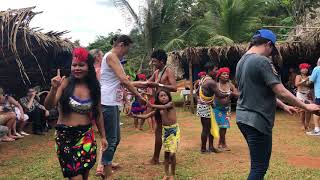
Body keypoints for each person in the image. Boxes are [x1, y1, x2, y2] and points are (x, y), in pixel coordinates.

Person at [235, 29, 320, 180]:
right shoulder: (262, 61)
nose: (271, 54)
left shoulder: (241, 62)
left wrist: (284, 106)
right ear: (268, 44)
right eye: (272, 50)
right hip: (257, 121)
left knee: (257, 164)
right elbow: (280, 91)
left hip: (243, 119)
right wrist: (306, 106)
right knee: (259, 167)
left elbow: (259, 90)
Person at [44, 47, 107, 180]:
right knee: (75, 177)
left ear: (88, 67)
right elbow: (48, 105)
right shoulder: (64, 83)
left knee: (84, 175)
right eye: (74, 65)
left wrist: (103, 137)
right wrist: (53, 89)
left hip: (86, 136)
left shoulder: (94, 87)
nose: (77, 68)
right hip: (65, 137)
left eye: (81, 65)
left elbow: (98, 113)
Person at [97, 35, 146, 179]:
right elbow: (124, 80)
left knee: (116, 139)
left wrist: (141, 87)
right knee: (111, 139)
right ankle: (106, 171)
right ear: (121, 45)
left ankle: (107, 164)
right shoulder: (111, 56)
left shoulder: (113, 58)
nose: (126, 52)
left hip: (112, 102)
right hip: (107, 102)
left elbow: (121, 82)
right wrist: (138, 96)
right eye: (127, 49)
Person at [131, 90, 180, 180]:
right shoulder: (159, 109)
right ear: (158, 99)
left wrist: (152, 105)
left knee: (172, 154)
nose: (164, 97)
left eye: (165, 95)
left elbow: (165, 106)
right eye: (161, 96)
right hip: (166, 132)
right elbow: (147, 116)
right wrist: (135, 115)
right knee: (166, 154)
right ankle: (166, 174)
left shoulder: (170, 104)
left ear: (169, 96)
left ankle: (172, 175)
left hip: (174, 131)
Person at [196, 65, 228, 153]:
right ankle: (203, 149)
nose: (217, 72)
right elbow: (220, 95)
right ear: (210, 70)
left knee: (210, 127)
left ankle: (210, 147)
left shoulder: (203, 79)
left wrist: (203, 100)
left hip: (204, 106)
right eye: (216, 70)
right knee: (206, 128)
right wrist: (229, 93)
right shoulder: (211, 82)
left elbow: (197, 92)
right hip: (206, 107)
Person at [214, 67, 239, 151]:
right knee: (222, 125)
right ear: (219, 76)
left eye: (227, 74)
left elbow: (237, 93)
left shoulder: (230, 85)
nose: (226, 75)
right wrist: (230, 95)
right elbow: (221, 100)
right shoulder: (216, 85)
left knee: (224, 126)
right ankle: (223, 143)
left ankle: (221, 144)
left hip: (227, 109)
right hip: (217, 108)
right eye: (224, 74)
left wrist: (234, 93)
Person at [295, 63, 312, 131]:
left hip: (307, 94)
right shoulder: (298, 76)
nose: (305, 70)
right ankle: (302, 124)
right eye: (303, 68)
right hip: (300, 94)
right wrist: (305, 80)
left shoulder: (310, 76)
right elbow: (296, 84)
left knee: (308, 110)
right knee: (302, 110)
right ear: (300, 69)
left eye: (306, 68)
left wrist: (305, 82)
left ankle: (307, 124)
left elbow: (309, 85)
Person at [306, 58, 320, 136]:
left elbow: (310, 81)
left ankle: (317, 129)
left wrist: (308, 79)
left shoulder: (317, 68)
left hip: (319, 94)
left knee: (316, 110)